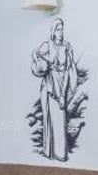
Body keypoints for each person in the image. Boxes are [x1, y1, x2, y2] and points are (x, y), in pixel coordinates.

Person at [31, 19, 78, 160]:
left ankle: (60, 154)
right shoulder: (47, 45)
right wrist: (40, 64)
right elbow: (34, 53)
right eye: (58, 29)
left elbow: (68, 71)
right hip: (48, 86)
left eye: (62, 29)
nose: (60, 32)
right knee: (48, 119)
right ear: (53, 31)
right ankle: (48, 152)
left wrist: (63, 95)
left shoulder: (67, 47)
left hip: (61, 85)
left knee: (60, 118)